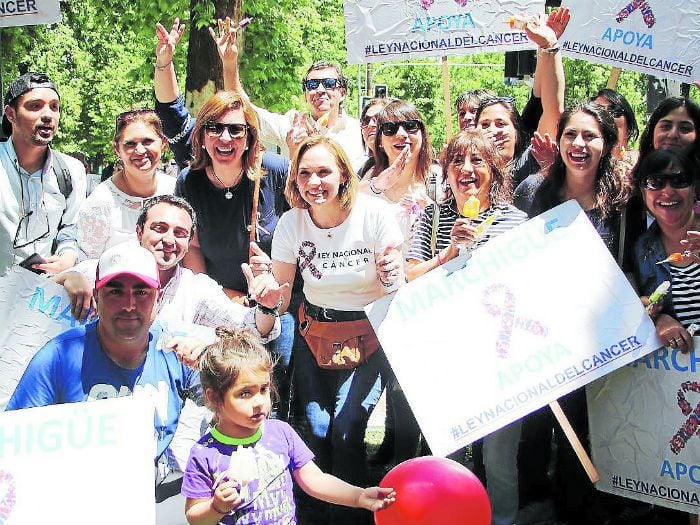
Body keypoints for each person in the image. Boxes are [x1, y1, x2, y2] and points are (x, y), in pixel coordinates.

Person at [153, 19, 297, 419]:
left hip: (276, 310)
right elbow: (192, 248)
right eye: (214, 129)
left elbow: (306, 232)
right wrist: (219, 300)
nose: (225, 138)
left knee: (269, 405)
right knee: (222, 404)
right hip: (220, 310)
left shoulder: (277, 171)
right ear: (201, 136)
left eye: (236, 130)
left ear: (250, 138)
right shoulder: (190, 181)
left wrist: (273, 281)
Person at [6, 242, 199, 524]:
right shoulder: (59, 356)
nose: (129, 305)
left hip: (151, 494)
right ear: (97, 295)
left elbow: (240, 397)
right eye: (115, 291)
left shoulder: (176, 351)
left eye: (141, 292)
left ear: (158, 297)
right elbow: (14, 448)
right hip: (73, 501)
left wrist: (209, 362)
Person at [271, 136, 403, 525]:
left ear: (344, 173)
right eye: (305, 173)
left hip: (370, 334)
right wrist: (263, 295)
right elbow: (280, 298)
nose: (314, 181)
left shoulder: (375, 214)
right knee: (315, 428)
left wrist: (391, 270)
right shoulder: (291, 223)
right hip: (315, 334)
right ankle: (315, 515)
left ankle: (356, 517)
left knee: (346, 429)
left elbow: (395, 264)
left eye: (324, 171)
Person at [514, 101, 632, 525]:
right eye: (570, 135)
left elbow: (632, 265)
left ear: (607, 144)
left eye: (590, 136)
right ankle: (532, 507)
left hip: (599, 339)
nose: (579, 144)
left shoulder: (623, 202)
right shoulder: (532, 191)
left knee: (583, 435)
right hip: (540, 333)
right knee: (534, 430)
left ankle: (575, 511)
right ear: (558, 141)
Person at [406, 130, 527, 525]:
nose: (466, 170)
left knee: (498, 459)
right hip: (446, 357)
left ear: (494, 169)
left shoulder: (517, 222)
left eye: (477, 161)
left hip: (500, 360)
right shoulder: (433, 216)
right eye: (457, 161)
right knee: (448, 457)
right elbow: (408, 277)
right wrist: (448, 253)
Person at [182, 326, 396, 525]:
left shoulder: (280, 432)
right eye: (245, 393)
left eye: (264, 389)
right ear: (214, 398)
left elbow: (313, 479)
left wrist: (358, 496)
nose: (259, 402)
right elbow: (194, 517)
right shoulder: (205, 452)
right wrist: (216, 507)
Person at [222, 19, 365, 169]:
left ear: (343, 92)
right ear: (305, 94)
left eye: (329, 84)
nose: (320, 90)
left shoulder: (359, 131)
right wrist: (229, 63)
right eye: (312, 85)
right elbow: (246, 110)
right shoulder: (291, 125)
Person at [0, 71, 87, 276]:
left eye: (54, 107)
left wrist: (67, 258)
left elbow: (70, 230)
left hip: (42, 296)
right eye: (35, 106)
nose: (48, 115)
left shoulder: (72, 171)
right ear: (11, 114)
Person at [476, 7, 569, 186]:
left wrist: (549, 46)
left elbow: (551, 109)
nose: (493, 131)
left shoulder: (526, 167)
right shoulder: (464, 174)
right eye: (485, 125)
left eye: (501, 123)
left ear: (517, 132)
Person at [76, 108, 175, 259]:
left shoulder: (177, 191)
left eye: (148, 141)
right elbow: (87, 263)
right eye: (130, 144)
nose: (140, 150)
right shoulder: (100, 203)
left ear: (163, 144)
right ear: (117, 149)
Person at [633, 149, 700, 353]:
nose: (668, 191)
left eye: (679, 180)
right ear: (644, 192)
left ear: (695, 188)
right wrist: (659, 319)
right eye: (656, 182)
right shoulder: (641, 250)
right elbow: (645, 306)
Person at [357, 97, 391, 178]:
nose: (370, 124)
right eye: (366, 120)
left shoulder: (407, 166)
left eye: (378, 118)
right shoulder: (365, 168)